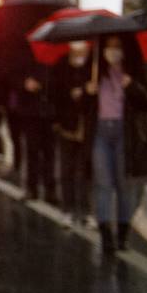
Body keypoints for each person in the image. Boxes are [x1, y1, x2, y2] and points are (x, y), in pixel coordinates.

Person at [89, 34, 147, 254]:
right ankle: (106, 235)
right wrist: (86, 92)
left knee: (123, 184)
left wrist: (132, 86)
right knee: (103, 184)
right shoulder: (96, 72)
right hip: (101, 131)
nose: (112, 51)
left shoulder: (133, 73)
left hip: (125, 133)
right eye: (108, 47)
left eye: (117, 47)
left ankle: (123, 233)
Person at [53, 41, 95, 224]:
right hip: (67, 125)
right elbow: (54, 94)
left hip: (88, 125)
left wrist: (87, 92)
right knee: (67, 168)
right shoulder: (61, 66)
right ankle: (67, 208)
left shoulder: (94, 65)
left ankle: (85, 210)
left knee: (86, 169)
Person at [10, 56, 56, 202]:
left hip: (49, 115)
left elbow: (58, 86)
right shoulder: (25, 61)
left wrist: (44, 85)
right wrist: (25, 84)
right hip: (30, 114)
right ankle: (32, 188)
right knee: (32, 152)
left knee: (49, 154)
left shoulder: (54, 65)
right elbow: (13, 78)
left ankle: (50, 189)